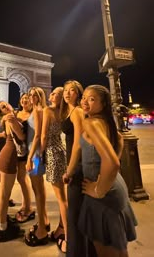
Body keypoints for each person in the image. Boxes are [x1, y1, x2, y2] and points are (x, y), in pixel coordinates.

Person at [79, 85, 137, 257]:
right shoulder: (107, 122)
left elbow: (112, 162)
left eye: (92, 99)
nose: (85, 102)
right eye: (84, 97)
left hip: (103, 193)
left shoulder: (90, 123)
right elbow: (119, 141)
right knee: (119, 251)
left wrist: (97, 190)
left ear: (103, 104)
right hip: (114, 185)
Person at [61, 80, 97, 257]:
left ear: (79, 93)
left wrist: (69, 170)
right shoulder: (71, 111)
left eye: (72, 90)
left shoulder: (77, 112)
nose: (67, 93)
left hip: (78, 166)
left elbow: (77, 144)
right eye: (65, 90)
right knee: (78, 212)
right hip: (76, 163)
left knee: (74, 214)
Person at [40, 87, 68, 253]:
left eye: (55, 93)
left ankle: (68, 238)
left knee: (61, 199)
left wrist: (38, 154)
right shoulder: (63, 113)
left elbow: (43, 136)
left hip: (51, 153)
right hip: (61, 151)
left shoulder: (48, 110)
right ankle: (60, 229)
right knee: (62, 197)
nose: (50, 94)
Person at [0, 101, 25, 242]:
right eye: (3, 107)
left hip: (6, 156)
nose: (6, 106)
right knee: (5, 195)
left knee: (4, 194)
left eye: (6, 104)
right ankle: (3, 230)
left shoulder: (10, 117)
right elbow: (21, 137)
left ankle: (1, 221)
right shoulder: (10, 118)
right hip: (8, 158)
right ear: (1, 112)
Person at [25, 86, 50, 247]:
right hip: (33, 153)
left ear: (41, 96)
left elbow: (38, 136)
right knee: (37, 190)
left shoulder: (40, 110)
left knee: (38, 191)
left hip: (34, 155)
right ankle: (44, 220)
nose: (32, 97)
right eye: (31, 94)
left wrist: (30, 158)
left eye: (36, 95)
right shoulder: (35, 110)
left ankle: (41, 231)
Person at [14, 93, 35, 223]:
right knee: (21, 178)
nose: (24, 100)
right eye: (22, 99)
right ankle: (25, 204)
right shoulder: (16, 114)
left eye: (27, 99)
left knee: (26, 178)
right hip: (18, 150)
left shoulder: (34, 115)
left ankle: (28, 207)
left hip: (29, 150)